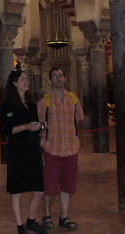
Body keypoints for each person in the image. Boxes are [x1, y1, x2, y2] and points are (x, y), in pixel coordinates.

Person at [0, 68, 47, 234]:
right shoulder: (8, 105)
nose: (26, 82)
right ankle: (20, 226)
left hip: (32, 148)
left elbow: (34, 124)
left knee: (39, 190)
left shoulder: (31, 103)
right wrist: (25, 127)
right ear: (15, 83)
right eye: (23, 79)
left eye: (27, 79)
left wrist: (41, 127)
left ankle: (31, 221)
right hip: (17, 150)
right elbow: (5, 130)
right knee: (17, 191)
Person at [38, 67, 84, 231]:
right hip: (52, 149)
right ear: (51, 80)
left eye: (61, 75)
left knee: (68, 185)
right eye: (55, 76)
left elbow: (78, 120)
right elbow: (40, 124)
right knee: (49, 186)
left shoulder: (73, 99)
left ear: (65, 78)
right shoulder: (45, 102)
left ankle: (64, 215)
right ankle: (47, 215)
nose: (58, 78)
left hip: (71, 149)